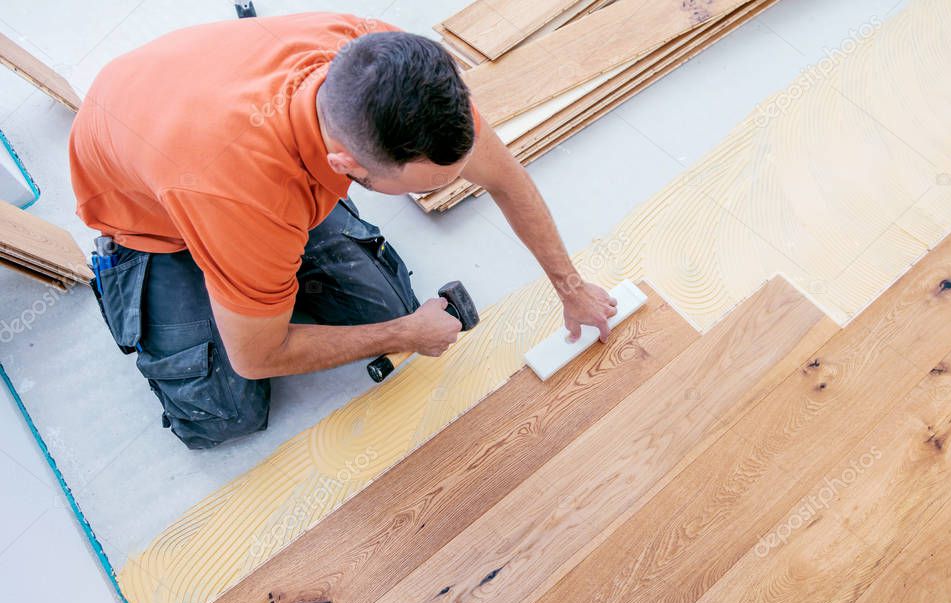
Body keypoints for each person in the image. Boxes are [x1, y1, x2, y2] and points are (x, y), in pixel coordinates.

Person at [69, 12, 616, 449]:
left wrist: (572, 288)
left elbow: (504, 177)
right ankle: (137, 274)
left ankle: (262, 277)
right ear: (346, 164)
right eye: (422, 187)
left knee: (386, 303)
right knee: (225, 415)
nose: (440, 191)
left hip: (204, 128)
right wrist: (406, 335)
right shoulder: (245, 195)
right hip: (151, 217)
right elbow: (257, 356)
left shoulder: (392, 68)